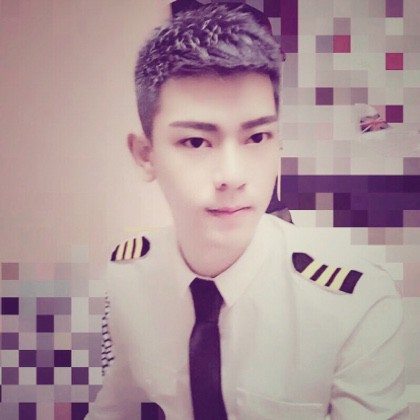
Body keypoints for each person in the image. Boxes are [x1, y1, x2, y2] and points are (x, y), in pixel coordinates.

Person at [86, 4, 407, 419]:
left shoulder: (355, 301)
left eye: (257, 137)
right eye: (196, 142)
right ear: (146, 155)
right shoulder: (129, 274)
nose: (233, 176)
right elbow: (116, 405)